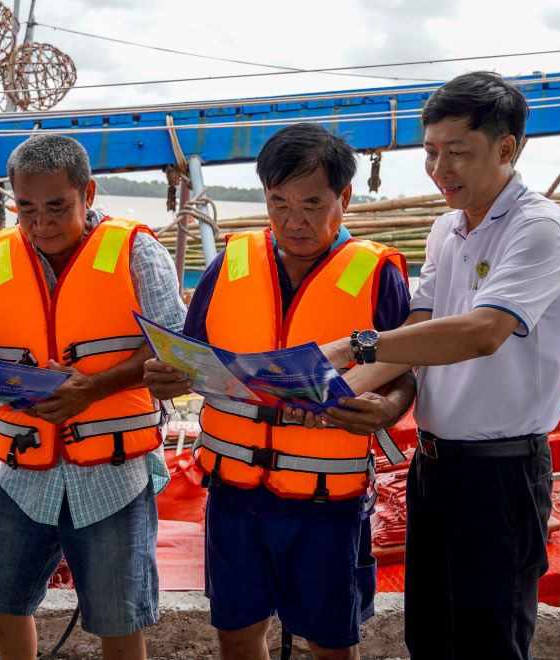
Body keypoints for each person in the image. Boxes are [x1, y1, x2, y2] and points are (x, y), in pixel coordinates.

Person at [319, 71, 560, 659]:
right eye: (431, 152)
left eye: (457, 153)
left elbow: (483, 332)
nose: (439, 169)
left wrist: (354, 346)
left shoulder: (538, 229)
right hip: (433, 465)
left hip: (502, 473)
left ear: (507, 148)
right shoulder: (447, 228)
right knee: (431, 637)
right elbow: (416, 331)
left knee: (488, 642)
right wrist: (321, 390)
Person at [144, 122, 415, 660]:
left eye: (312, 204)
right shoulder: (228, 264)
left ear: (345, 198)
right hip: (233, 496)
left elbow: (405, 371)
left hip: (327, 504)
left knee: (332, 641)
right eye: (278, 203)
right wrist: (165, 374)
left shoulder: (377, 275)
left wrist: (386, 410)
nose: (294, 222)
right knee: (237, 632)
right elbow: (189, 355)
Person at [0, 134, 187, 659]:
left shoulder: (136, 249)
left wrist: (95, 387)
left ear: (87, 192)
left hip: (113, 469)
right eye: (27, 209)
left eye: (57, 207)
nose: (41, 224)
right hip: (22, 468)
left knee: (118, 615)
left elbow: (176, 349)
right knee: (5, 601)